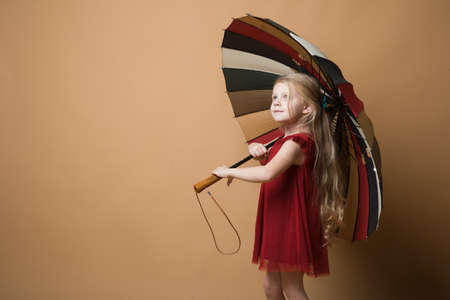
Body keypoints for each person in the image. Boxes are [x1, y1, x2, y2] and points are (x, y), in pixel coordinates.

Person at [212, 72, 346, 300]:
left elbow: (268, 173)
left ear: (307, 108)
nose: (276, 101)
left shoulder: (297, 143)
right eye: (275, 97)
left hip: (289, 221)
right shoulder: (283, 140)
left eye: (286, 96)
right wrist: (260, 152)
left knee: (292, 288)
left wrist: (229, 171)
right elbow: (274, 167)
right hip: (277, 216)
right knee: (271, 286)